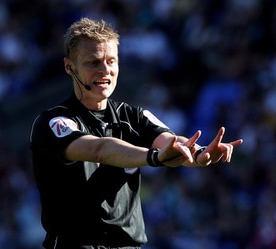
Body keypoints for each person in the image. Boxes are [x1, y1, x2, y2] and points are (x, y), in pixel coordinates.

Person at [29, 17, 243, 249]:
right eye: (93, 62)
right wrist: (154, 157)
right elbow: (100, 149)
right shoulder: (53, 122)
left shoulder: (134, 116)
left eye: (111, 61)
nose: (105, 70)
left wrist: (199, 153)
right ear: (69, 67)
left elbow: (171, 142)